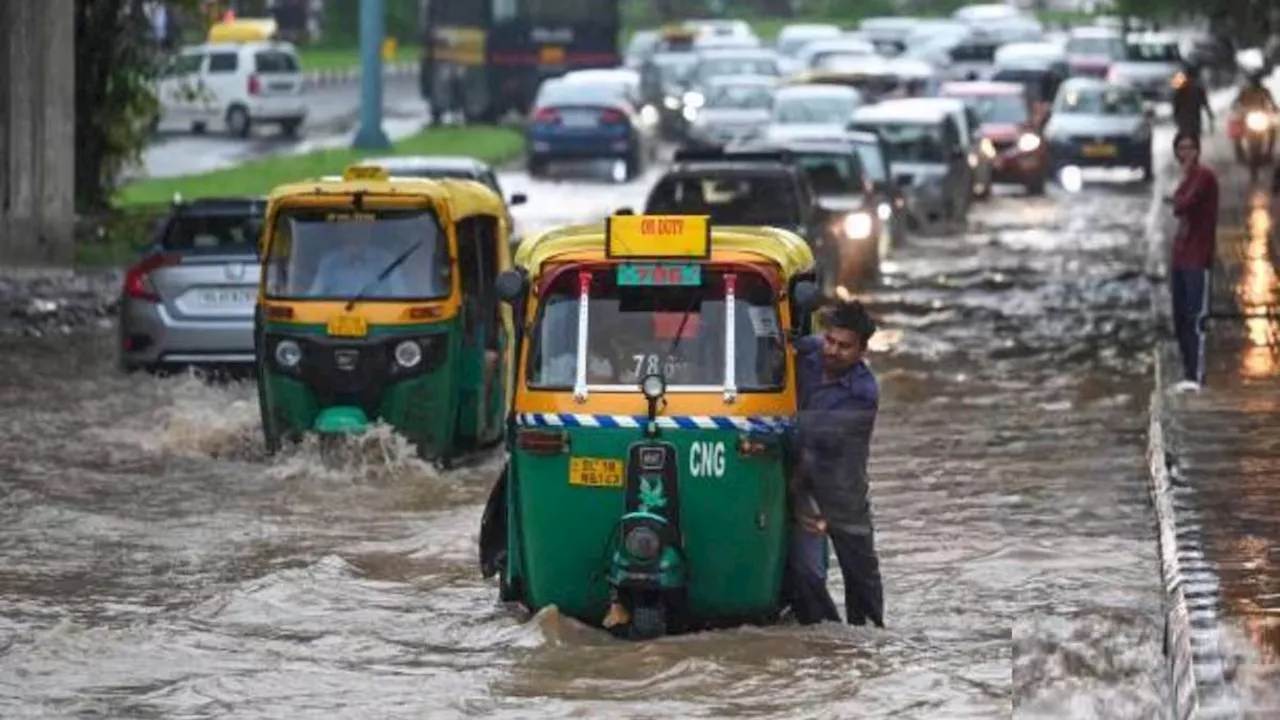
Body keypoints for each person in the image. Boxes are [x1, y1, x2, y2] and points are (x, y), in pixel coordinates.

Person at [784, 300, 884, 626]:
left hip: (841, 490)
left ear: (862, 351)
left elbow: (813, 432)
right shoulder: (808, 353)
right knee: (806, 575)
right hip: (800, 479)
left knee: (862, 580)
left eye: (844, 347)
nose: (833, 350)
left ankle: (866, 638)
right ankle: (828, 639)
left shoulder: (863, 392)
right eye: (830, 340)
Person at [1168, 133, 1219, 393]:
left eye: (1189, 148)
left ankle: (1197, 376)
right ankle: (1188, 372)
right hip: (1180, 256)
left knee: (1196, 318)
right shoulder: (1187, 178)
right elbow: (1177, 202)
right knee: (1180, 318)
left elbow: (1181, 204)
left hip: (1198, 259)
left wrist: (1177, 199)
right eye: (1180, 149)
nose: (1184, 153)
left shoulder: (1204, 177)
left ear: (1197, 151)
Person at [307, 234, 412, 297]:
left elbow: (401, 295)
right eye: (350, 226)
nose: (356, 231)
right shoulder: (330, 262)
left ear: (370, 230)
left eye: (362, 226)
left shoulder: (386, 260)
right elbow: (313, 297)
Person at [1172, 63, 1214, 141]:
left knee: (1186, 138)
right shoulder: (1198, 87)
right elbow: (1205, 103)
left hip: (1184, 118)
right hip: (1194, 118)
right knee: (1194, 139)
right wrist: (1210, 115)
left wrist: (1175, 116)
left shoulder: (1181, 87)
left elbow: (1175, 103)